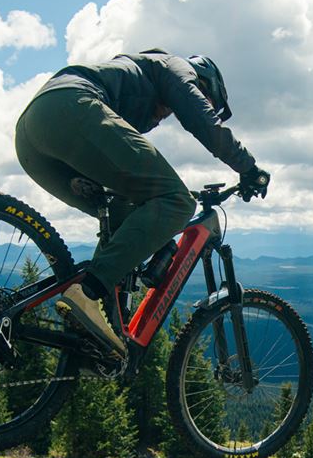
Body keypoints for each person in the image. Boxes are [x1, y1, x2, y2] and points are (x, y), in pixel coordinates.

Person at [14, 49, 269, 358]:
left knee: (120, 216)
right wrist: (248, 168)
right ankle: (88, 292)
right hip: (71, 107)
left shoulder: (138, 80)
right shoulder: (174, 67)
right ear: (203, 82)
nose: (167, 116)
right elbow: (203, 120)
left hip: (32, 135)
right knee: (176, 201)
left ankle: (95, 332)